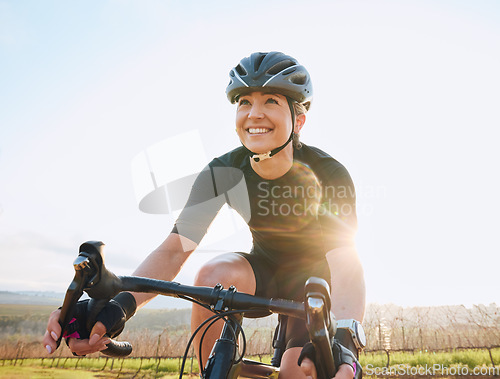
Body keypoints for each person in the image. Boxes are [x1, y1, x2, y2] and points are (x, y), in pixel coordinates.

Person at [43, 51, 366, 379]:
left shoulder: (328, 172)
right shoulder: (222, 170)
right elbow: (174, 250)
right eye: (243, 102)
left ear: (298, 120)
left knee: (296, 373)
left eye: (271, 101)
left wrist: (346, 339)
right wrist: (117, 306)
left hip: (313, 283)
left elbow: (346, 264)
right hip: (261, 272)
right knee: (211, 274)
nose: (254, 114)